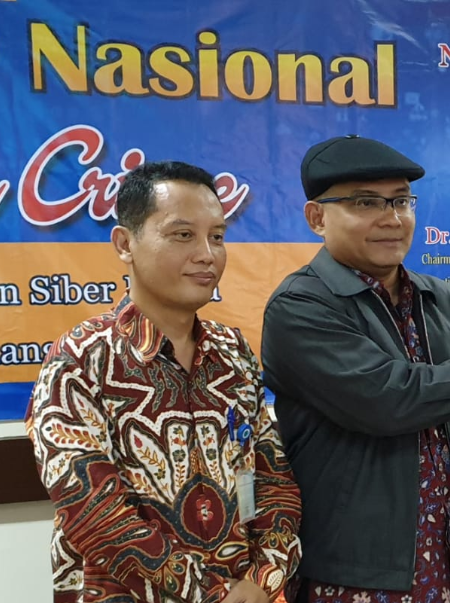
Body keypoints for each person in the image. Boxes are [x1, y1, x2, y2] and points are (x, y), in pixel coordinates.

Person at [261, 135, 450, 603]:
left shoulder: (444, 300)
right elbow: (387, 399)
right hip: (358, 574)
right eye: (366, 203)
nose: (391, 219)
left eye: (401, 201)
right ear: (317, 217)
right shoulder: (301, 306)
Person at [25, 161, 302, 603]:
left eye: (217, 236)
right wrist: (212, 594)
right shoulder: (80, 359)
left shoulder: (233, 353)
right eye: (182, 235)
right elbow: (92, 510)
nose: (207, 254)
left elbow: (272, 478)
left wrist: (264, 576)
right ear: (124, 243)